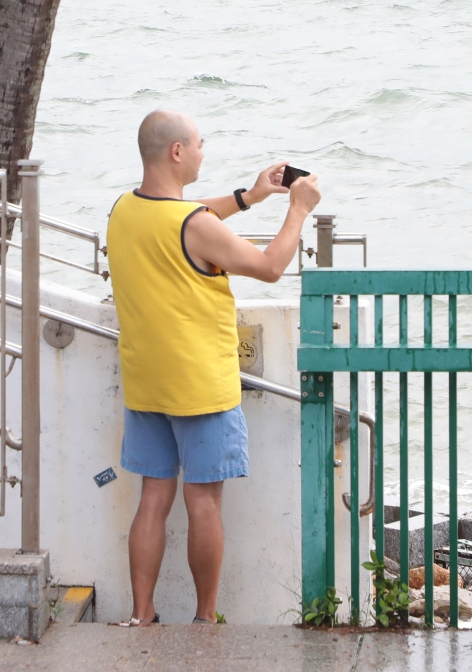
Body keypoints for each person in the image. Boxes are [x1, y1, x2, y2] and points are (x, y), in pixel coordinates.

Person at [105, 109, 321, 625]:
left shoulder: (124, 210)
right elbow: (270, 266)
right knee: (203, 502)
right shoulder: (195, 225)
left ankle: (141, 615)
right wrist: (298, 209)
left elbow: (183, 216)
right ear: (177, 151)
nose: (203, 153)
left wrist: (250, 197)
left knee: (153, 499)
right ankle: (205, 620)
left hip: (146, 382)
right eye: (199, 144)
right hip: (199, 385)